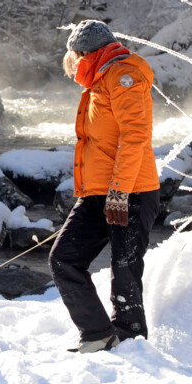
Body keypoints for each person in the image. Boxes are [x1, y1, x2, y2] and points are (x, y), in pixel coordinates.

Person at [49, 19, 160, 353]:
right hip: (99, 193)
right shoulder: (98, 82)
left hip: (132, 191)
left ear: (87, 54)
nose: (72, 66)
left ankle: (132, 344)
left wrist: (119, 191)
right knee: (63, 259)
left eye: (74, 58)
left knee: (125, 270)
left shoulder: (125, 76)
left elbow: (135, 135)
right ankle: (98, 333)